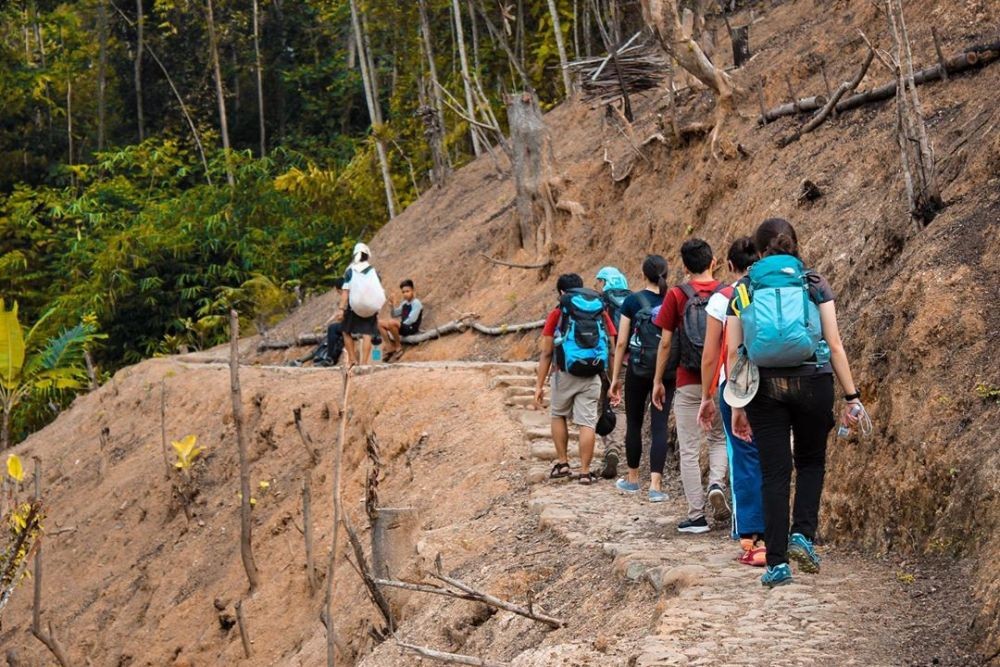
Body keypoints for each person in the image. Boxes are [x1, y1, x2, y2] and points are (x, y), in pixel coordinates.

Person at [725, 218, 862, 587]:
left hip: (764, 386)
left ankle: (777, 563)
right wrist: (852, 395)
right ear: (795, 244)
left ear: (757, 249)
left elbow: (734, 351)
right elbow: (834, 344)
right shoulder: (814, 282)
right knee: (811, 462)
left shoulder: (745, 286)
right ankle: (803, 533)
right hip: (813, 379)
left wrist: (737, 404)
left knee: (774, 472)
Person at [651, 239, 730, 534]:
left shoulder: (676, 295)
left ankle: (696, 516)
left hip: (687, 379)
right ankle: (716, 483)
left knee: (689, 448)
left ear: (685, 267)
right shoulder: (727, 293)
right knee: (719, 439)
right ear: (714, 262)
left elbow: (666, 342)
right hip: (721, 380)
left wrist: (659, 380)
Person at [698, 237, 766, 566]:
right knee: (774, 456)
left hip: (737, 386)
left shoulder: (722, 298)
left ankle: (749, 534)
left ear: (728, 266)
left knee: (743, 456)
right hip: (778, 383)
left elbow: (713, 354)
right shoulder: (771, 289)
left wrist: (706, 395)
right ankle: (776, 530)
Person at [534, 273, 617, 485]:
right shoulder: (598, 309)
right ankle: (585, 472)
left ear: (562, 292)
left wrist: (539, 385)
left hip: (564, 373)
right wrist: (614, 380)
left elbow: (546, 352)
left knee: (558, 415)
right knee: (587, 423)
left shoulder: (559, 312)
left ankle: (563, 464)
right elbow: (612, 344)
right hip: (593, 373)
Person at [608, 255, 673, 502]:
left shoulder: (632, 301)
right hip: (666, 371)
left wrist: (616, 378)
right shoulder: (672, 298)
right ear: (666, 273)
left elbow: (622, 341)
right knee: (659, 425)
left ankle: (633, 479)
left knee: (634, 423)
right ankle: (656, 485)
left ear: (643, 274)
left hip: (637, 368)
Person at [594, 266, 630, 479]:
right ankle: (615, 447)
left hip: (603, 361)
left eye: (599, 281)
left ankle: (609, 447)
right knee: (620, 406)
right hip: (627, 361)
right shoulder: (632, 300)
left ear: (604, 281)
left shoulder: (600, 302)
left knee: (602, 404)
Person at [338, 242, 383, 366]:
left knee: (346, 331)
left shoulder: (350, 271)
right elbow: (378, 290)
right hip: (370, 307)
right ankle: (364, 363)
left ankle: (352, 359)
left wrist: (341, 309)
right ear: (367, 256)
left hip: (356, 306)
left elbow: (345, 292)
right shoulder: (373, 271)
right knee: (367, 333)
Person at [378, 279, 423, 360]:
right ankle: (389, 347)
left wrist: (398, 325)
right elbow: (394, 314)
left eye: (407, 291)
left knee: (391, 323)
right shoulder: (404, 303)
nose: (405, 294)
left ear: (413, 290)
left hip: (411, 328)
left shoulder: (416, 303)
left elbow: (412, 319)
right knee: (379, 323)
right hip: (404, 327)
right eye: (403, 292)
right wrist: (391, 306)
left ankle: (398, 348)